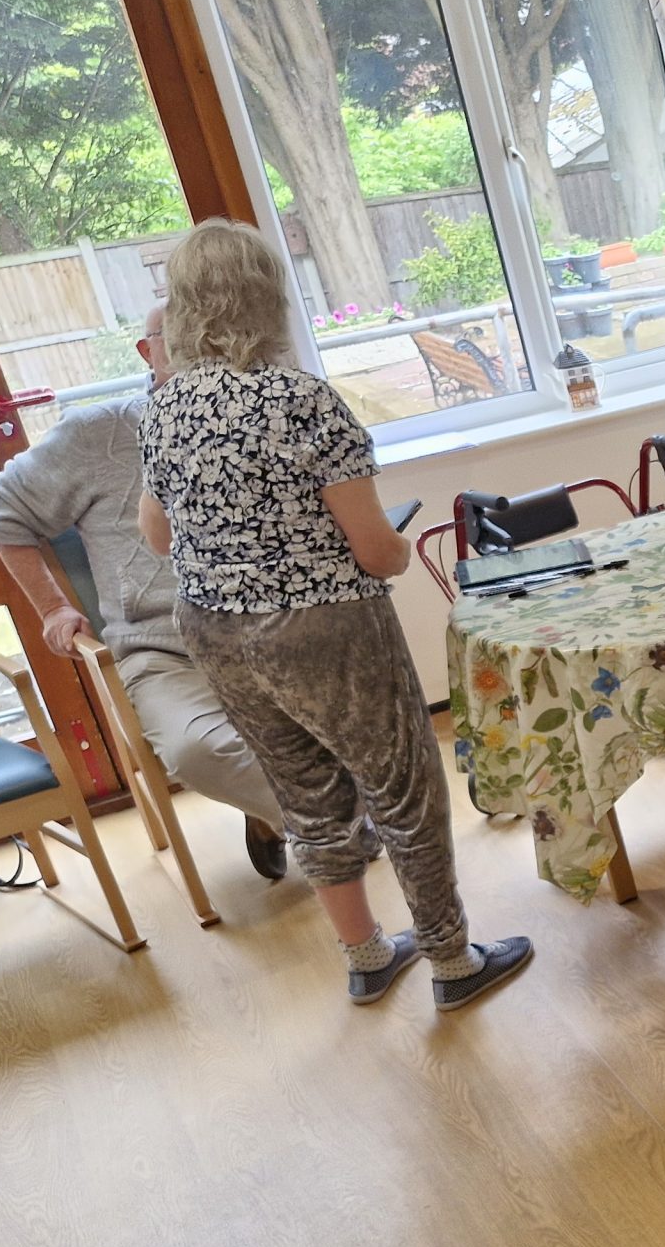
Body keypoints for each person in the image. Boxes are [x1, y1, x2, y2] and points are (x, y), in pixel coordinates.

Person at [136, 218, 530, 1011]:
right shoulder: (301, 400)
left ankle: (367, 956)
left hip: (215, 628)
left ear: (182, 307)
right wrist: (383, 543)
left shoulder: (165, 409)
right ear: (267, 298)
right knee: (402, 786)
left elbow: (156, 534)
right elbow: (378, 552)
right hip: (323, 626)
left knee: (305, 793)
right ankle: (453, 963)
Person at [0, 305, 290, 882]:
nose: (202, 349)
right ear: (149, 353)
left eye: (212, 335)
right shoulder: (100, 432)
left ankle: (282, 810)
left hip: (280, 631)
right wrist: (53, 605)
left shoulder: (264, 411)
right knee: (201, 752)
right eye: (182, 338)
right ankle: (330, 824)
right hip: (163, 648)